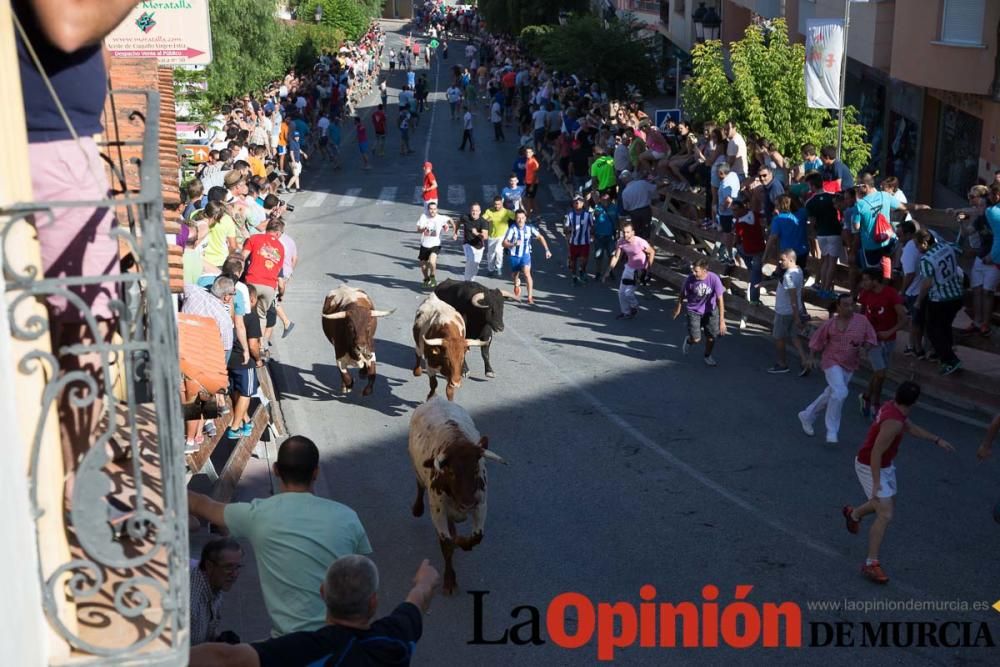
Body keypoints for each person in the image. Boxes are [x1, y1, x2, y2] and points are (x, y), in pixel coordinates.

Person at [187, 436, 373, 637]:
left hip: (286, 646)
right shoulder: (348, 517)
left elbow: (200, 504)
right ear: (316, 472)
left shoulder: (259, 514)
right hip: (340, 640)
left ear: (275, 470)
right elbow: (361, 579)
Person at [189, 556, 440, 667]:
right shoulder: (395, 637)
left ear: (323, 593)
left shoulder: (303, 648)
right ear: (373, 602)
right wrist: (424, 579)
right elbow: (418, 598)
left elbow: (225, 657)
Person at [842, 381, 954, 584]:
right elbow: (876, 451)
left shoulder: (893, 406)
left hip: (884, 465)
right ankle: (871, 563)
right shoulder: (893, 422)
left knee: (886, 504)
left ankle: (854, 514)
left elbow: (910, 427)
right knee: (885, 513)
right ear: (915, 402)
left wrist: (936, 439)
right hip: (870, 465)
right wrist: (876, 483)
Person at [799, 294, 878, 444]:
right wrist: (811, 357)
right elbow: (816, 340)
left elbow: (871, 339)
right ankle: (832, 430)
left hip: (849, 365)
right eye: (846, 305)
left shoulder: (862, 321)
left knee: (832, 393)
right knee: (841, 392)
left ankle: (807, 415)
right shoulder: (830, 324)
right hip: (831, 362)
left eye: (851, 304)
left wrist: (865, 349)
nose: (850, 308)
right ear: (839, 307)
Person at [857, 268, 908, 418]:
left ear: (875, 280)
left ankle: (866, 396)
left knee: (880, 373)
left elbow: (904, 318)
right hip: (872, 339)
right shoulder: (865, 294)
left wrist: (890, 332)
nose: (863, 283)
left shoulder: (891, 294)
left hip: (888, 339)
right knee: (880, 372)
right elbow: (861, 314)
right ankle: (875, 403)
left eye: (866, 280)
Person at [915, 229, 964, 375]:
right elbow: (959, 249)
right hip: (957, 294)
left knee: (933, 330)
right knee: (945, 326)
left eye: (917, 245)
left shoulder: (926, 260)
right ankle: (945, 352)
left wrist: (918, 300)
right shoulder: (947, 247)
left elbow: (927, 283)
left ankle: (950, 360)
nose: (917, 249)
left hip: (940, 299)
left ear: (924, 243)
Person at [674, 258, 726, 366]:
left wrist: (722, 321)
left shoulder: (714, 278)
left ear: (704, 271)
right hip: (693, 310)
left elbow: (720, 299)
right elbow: (682, 294)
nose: (693, 273)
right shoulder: (690, 279)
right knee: (696, 339)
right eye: (693, 270)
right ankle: (689, 340)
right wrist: (678, 308)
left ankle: (707, 356)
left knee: (711, 337)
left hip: (710, 311)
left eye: (696, 271)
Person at [190, 538, 243, 646]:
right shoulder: (191, 603)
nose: (234, 574)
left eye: (237, 567)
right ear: (209, 566)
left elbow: (206, 632)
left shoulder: (215, 581)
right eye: (228, 567)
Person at [769, 249, 809, 375]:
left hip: (784, 312)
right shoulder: (799, 270)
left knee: (779, 337)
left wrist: (797, 318)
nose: (780, 262)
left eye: (783, 259)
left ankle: (782, 364)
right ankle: (805, 361)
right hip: (792, 311)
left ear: (790, 259)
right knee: (795, 337)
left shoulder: (788, 276)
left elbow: (792, 298)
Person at [605, 221, 655, 320]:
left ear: (633, 232)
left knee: (628, 293)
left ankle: (635, 306)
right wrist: (608, 271)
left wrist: (647, 268)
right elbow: (616, 257)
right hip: (628, 268)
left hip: (639, 271)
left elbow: (652, 252)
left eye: (628, 232)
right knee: (621, 293)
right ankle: (626, 313)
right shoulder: (620, 242)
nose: (625, 234)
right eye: (624, 232)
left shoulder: (640, 242)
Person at [805, 172, 842, 299]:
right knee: (832, 262)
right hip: (834, 232)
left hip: (821, 234)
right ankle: (826, 289)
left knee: (825, 261)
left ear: (812, 185)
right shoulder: (832, 197)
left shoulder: (810, 202)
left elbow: (812, 222)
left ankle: (822, 287)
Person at [502, 209, 552, 304]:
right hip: (514, 255)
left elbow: (540, 237)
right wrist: (513, 244)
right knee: (514, 275)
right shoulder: (512, 229)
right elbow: (504, 243)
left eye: (522, 218)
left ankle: (530, 297)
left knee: (527, 273)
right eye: (518, 218)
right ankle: (517, 284)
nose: (520, 220)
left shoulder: (529, 228)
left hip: (525, 255)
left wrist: (547, 250)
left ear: (525, 219)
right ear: (515, 219)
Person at [416, 202, 453, 288]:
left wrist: (451, 229)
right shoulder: (423, 217)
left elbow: (448, 222)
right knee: (423, 266)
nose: (433, 211)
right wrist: (423, 230)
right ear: (428, 210)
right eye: (431, 209)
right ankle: (426, 279)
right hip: (424, 245)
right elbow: (418, 229)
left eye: (434, 209)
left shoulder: (440, 218)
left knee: (432, 261)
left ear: (437, 209)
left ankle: (432, 277)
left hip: (436, 244)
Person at [563, 194, 594, 285]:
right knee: (573, 260)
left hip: (585, 241)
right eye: (575, 202)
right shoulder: (570, 215)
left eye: (579, 202)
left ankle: (582, 270)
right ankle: (574, 276)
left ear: (583, 203)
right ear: (573, 204)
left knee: (584, 259)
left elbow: (592, 226)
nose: (577, 204)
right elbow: (566, 228)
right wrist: (567, 233)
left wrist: (592, 236)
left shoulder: (588, 215)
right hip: (573, 241)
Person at [455, 202, 488, 281]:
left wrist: (476, 233)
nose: (474, 212)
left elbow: (485, 236)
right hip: (467, 244)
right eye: (473, 210)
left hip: (479, 247)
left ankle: (470, 281)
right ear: (470, 211)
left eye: (476, 211)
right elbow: (458, 222)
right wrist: (456, 232)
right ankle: (466, 281)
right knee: (470, 260)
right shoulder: (465, 217)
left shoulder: (483, 222)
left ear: (480, 212)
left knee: (475, 266)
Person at [483, 195, 514, 276]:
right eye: (495, 204)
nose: (497, 206)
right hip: (492, 236)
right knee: (491, 254)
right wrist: (486, 221)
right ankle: (490, 269)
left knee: (498, 251)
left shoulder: (507, 212)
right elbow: (482, 220)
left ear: (502, 204)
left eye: (498, 204)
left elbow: (517, 217)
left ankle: (499, 267)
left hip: (502, 236)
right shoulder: (489, 211)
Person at [523, 147, 540, 220]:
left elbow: (535, 175)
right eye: (526, 152)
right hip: (528, 182)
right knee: (531, 200)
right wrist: (525, 179)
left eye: (529, 152)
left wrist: (532, 186)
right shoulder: (528, 160)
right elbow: (527, 171)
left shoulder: (534, 162)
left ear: (532, 153)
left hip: (532, 183)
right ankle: (537, 215)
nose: (527, 154)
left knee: (528, 200)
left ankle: (528, 216)